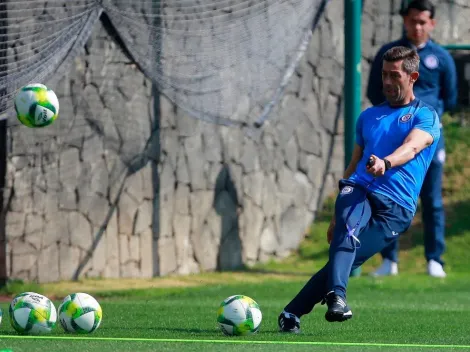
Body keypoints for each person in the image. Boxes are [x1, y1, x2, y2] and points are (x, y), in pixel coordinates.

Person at [278, 46, 440, 332]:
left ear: (412, 76)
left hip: (397, 208)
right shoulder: (368, 117)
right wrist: (334, 217)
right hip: (359, 189)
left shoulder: (426, 116)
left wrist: (386, 163)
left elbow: (413, 146)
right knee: (347, 234)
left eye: (394, 76)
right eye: (383, 75)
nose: (387, 82)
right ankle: (338, 297)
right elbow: (354, 164)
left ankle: (291, 313)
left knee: (346, 257)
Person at [367, 0, 457, 278]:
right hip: (393, 142)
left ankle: (434, 260)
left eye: (422, 21)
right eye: (412, 21)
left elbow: (450, 98)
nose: (417, 26)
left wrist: (424, 122)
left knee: (431, 200)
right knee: (387, 198)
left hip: (429, 143)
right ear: (404, 22)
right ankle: (388, 260)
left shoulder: (441, 58)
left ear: (432, 23)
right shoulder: (388, 54)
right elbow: (374, 91)